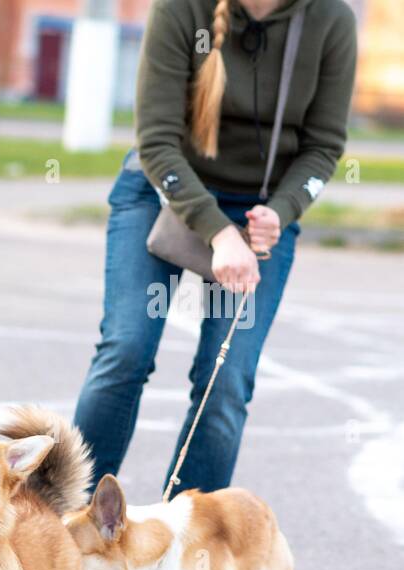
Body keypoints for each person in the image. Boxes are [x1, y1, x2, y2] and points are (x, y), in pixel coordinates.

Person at [72, 0, 356, 496]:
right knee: (126, 351)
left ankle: (189, 549)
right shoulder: (181, 8)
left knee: (225, 382)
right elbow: (156, 142)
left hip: (259, 210)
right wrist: (219, 233)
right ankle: (68, 527)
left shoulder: (331, 18)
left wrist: (282, 212)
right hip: (161, 191)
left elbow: (324, 146)